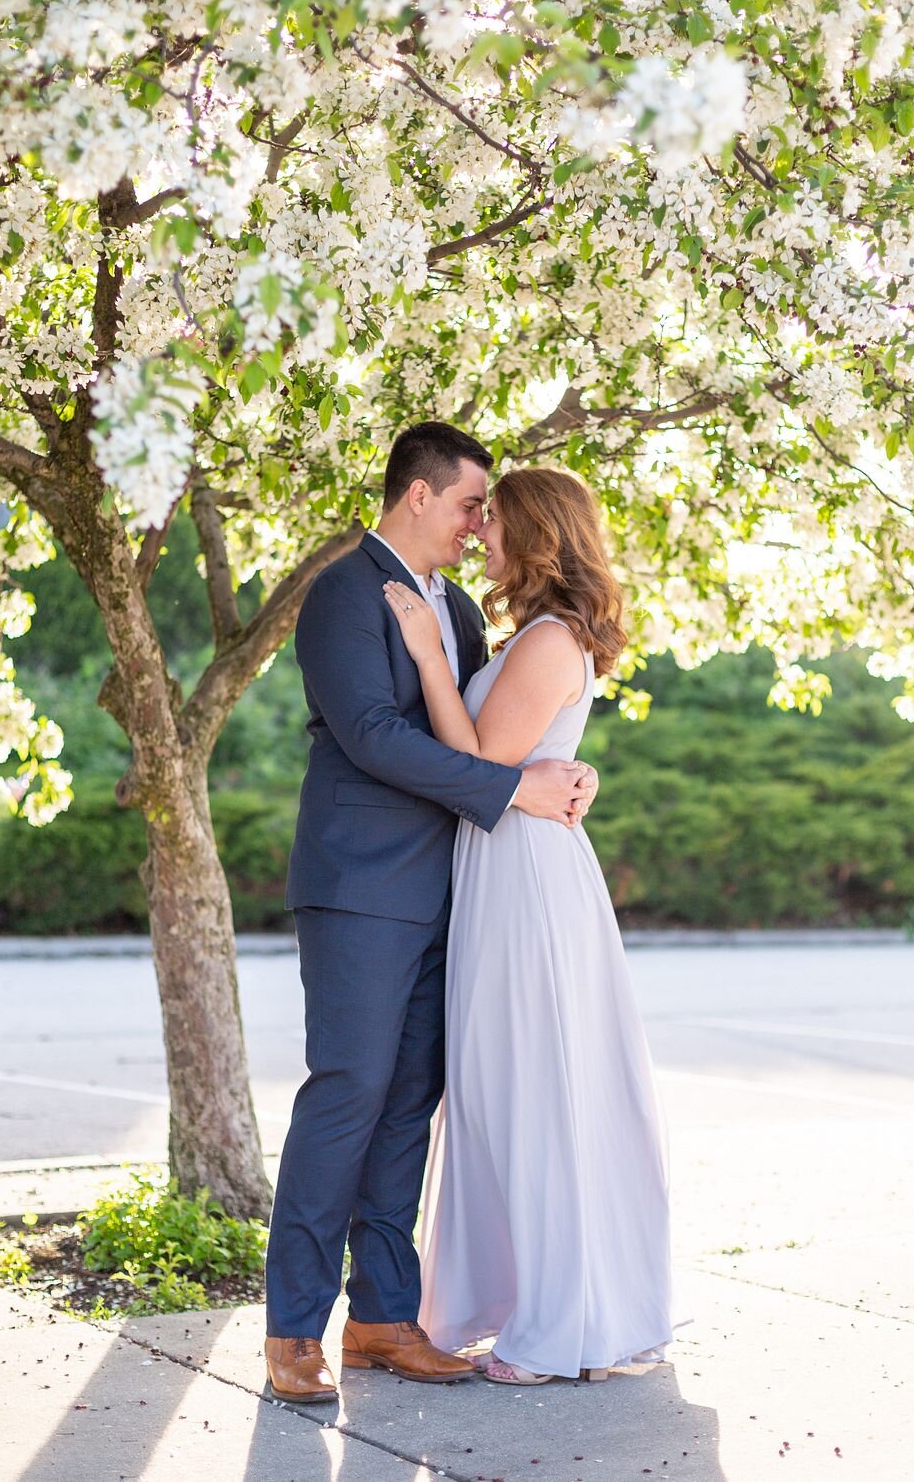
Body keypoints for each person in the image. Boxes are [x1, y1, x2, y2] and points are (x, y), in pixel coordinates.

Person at [264, 424, 598, 1403]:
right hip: (361, 888)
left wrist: (548, 779)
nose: (476, 525)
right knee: (348, 1093)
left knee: (410, 1103)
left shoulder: (457, 609)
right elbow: (372, 736)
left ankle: (381, 1319)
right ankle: (293, 1330)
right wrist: (514, 793)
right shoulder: (342, 594)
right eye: (466, 506)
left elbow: (492, 735)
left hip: (458, 894)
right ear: (417, 495)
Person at [384, 466, 683, 1386]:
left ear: (538, 535)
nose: (482, 535)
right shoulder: (533, 637)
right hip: (505, 866)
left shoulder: (551, 640)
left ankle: (562, 1327)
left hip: (527, 879)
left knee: (538, 1091)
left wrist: (431, 656)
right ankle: (540, 1303)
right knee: (509, 1090)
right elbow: (517, 766)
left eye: (495, 520)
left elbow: (483, 760)